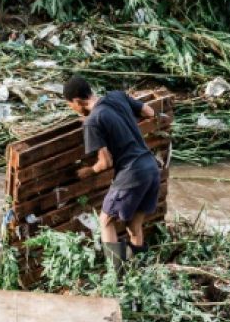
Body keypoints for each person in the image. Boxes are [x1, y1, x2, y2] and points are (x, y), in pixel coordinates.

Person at [63, 77, 166, 267]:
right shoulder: (117, 96)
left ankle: (115, 273)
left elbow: (105, 162)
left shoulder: (93, 122)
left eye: (71, 105)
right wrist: (122, 125)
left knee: (106, 220)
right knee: (134, 226)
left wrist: (88, 171)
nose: (73, 109)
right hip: (151, 168)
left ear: (77, 101)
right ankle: (140, 268)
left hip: (132, 173)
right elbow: (149, 112)